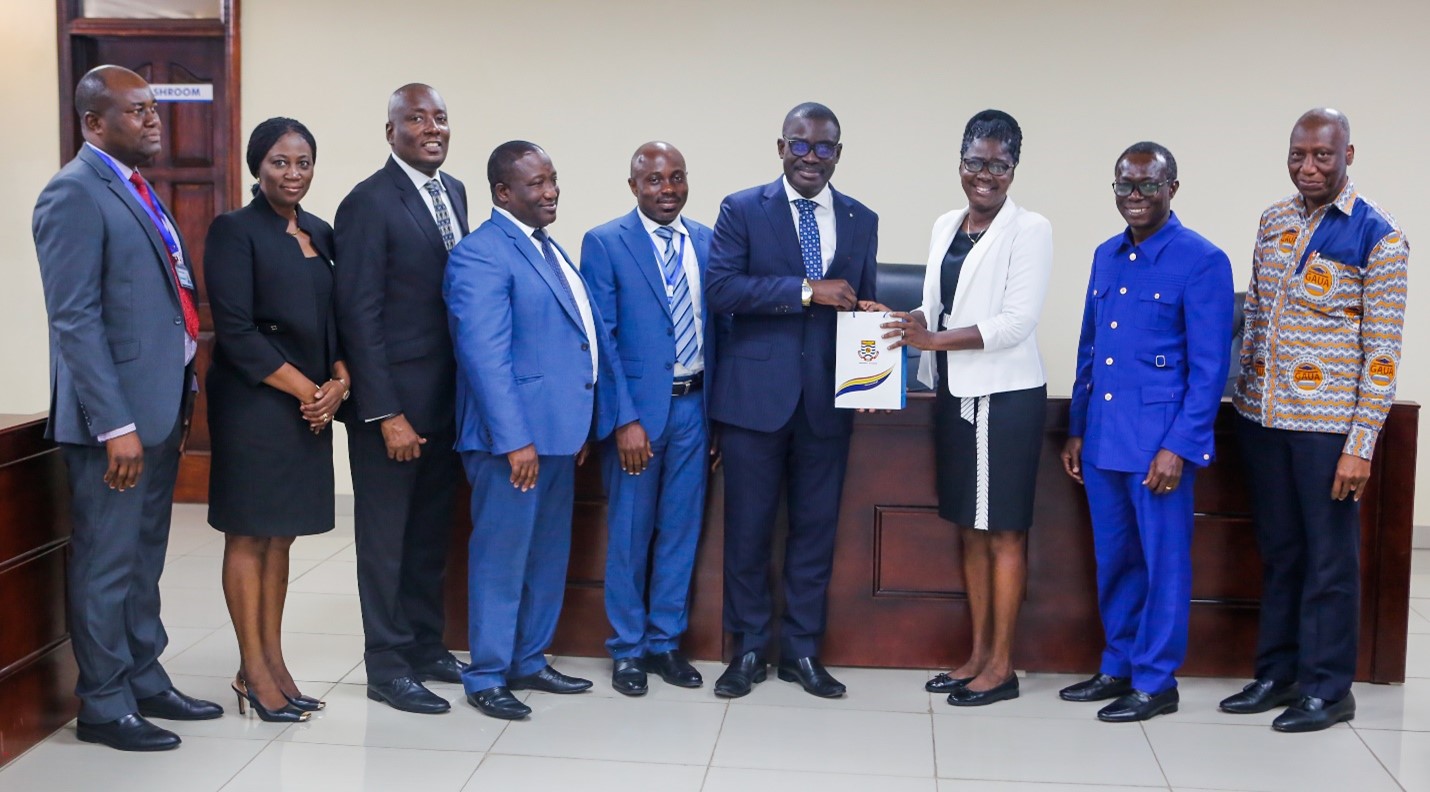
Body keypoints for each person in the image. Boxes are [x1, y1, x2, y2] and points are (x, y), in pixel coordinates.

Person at [32, 65, 221, 751]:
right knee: (107, 562)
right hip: (114, 425)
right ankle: (104, 704)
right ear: (93, 122)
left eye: (153, 109)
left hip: (161, 409)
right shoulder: (74, 193)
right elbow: (75, 320)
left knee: (144, 557)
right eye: (137, 111)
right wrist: (116, 423)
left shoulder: (138, 190)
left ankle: (144, 677)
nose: (153, 120)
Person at [1220, 108, 1409, 733]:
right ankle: (1277, 674)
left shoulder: (1379, 236)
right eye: (1298, 153)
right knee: (1279, 552)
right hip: (1261, 420)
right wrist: (1234, 399)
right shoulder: (1273, 220)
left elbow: (1381, 354)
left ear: (1348, 155)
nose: (1308, 166)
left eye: (1322, 155)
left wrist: (1361, 445)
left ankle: (1329, 689)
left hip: (1327, 430)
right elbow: (1256, 322)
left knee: (1329, 560)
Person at [444, 141, 637, 720]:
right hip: (512, 446)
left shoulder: (549, 250)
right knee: (502, 560)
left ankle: (528, 658)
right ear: (503, 193)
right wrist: (515, 440)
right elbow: (485, 357)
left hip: (557, 440)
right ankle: (487, 673)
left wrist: (577, 428)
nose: (550, 191)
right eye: (535, 184)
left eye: (552, 179)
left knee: (546, 556)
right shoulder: (480, 255)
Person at [878, 110, 1052, 707]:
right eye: (976, 162)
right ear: (960, 164)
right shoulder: (946, 225)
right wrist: (907, 324)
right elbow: (936, 309)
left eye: (999, 165)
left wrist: (934, 340)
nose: (986, 175)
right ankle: (978, 654)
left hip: (1003, 399)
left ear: (1013, 169)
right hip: (954, 394)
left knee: (1003, 531)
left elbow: (1014, 324)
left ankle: (1003, 667)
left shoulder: (1030, 230)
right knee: (969, 531)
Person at [705, 102, 878, 699]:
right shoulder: (742, 208)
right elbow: (722, 289)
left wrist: (874, 354)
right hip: (754, 401)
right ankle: (748, 650)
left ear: (838, 153)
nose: (811, 157)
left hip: (828, 403)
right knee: (748, 530)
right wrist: (807, 290)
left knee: (814, 530)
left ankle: (803, 652)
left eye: (823, 147)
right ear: (780, 147)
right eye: (799, 145)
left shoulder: (861, 218)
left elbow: (859, 305)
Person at [1059, 142, 1234, 722]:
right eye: (1123, 186)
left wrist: (1179, 447)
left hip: (1159, 444)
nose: (1134, 197)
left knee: (1163, 565)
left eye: (1147, 185)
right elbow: (1091, 349)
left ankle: (1157, 681)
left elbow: (1208, 370)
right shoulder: (1106, 256)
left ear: (1172, 189)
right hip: (1107, 438)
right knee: (1116, 560)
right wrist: (1078, 428)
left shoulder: (1202, 260)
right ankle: (1119, 665)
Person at [204, 117, 346, 723]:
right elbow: (234, 332)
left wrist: (339, 384)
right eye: (281, 162)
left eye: (304, 162)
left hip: (310, 404)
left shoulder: (321, 231)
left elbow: (339, 321)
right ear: (256, 166)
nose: (293, 173)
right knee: (250, 533)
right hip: (256, 402)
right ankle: (252, 671)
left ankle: (272, 663)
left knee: (282, 533)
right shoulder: (233, 231)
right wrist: (308, 389)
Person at [334, 83, 469, 715]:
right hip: (394, 411)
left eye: (440, 118)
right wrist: (386, 413)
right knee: (385, 541)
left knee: (427, 535)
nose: (432, 128)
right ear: (390, 132)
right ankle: (386, 665)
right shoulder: (367, 203)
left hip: (447, 405)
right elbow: (358, 316)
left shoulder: (456, 192)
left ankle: (423, 644)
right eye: (416, 119)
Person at [580, 142, 717, 696]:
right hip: (638, 417)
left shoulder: (708, 241)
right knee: (631, 535)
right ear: (633, 186)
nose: (668, 189)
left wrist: (720, 419)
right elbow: (603, 341)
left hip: (696, 409)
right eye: (655, 179)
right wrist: (623, 420)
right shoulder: (605, 243)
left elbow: (722, 333)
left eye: (677, 178)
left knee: (681, 533)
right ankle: (628, 649)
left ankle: (665, 643)